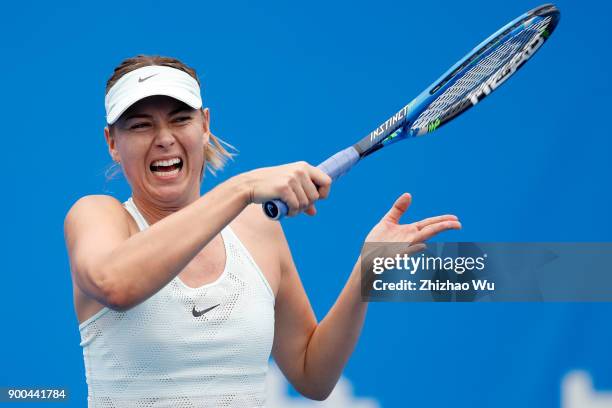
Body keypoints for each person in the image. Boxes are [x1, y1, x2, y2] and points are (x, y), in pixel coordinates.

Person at [64, 54, 461, 407]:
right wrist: (243, 187)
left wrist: (366, 272)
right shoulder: (97, 216)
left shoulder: (257, 229)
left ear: (205, 124)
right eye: (140, 125)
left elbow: (312, 375)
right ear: (112, 143)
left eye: (180, 119)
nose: (164, 138)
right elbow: (115, 285)